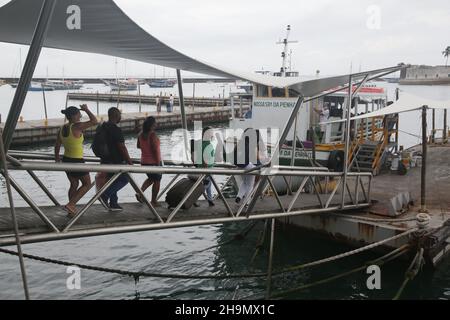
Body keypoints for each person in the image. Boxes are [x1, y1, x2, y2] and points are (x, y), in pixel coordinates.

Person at [55, 104, 98, 215]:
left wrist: (57, 158)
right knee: (87, 184)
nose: (81, 115)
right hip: (77, 161)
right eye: (79, 113)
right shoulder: (77, 126)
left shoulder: (63, 127)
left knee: (74, 184)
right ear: (74, 115)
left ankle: (71, 210)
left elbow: (57, 145)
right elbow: (94, 121)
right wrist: (87, 109)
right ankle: (71, 204)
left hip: (66, 159)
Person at [100, 107, 133, 211]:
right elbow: (122, 147)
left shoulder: (103, 127)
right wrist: (129, 161)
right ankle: (105, 195)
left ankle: (113, 203)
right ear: (116, 116)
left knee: (112, 181)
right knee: (125, 178)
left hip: (104, 159)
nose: (120, 117)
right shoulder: (115, 129)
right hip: (115, 160)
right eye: (120, 115)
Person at [136, 116, 162, 207]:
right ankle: (154, 201)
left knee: (151, 179)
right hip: (153, 162)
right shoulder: (152, 135)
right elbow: (155, 149)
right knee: (157, 181)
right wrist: (158, 163)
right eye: (155, 122)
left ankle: (140, 193)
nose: (156, 124)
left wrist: (146, 149)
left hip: (144, 162)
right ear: (151, 125)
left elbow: (138, 146)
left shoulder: (140, 134)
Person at [201, 127, 215, 206]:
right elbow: (205, 159)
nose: (212, 135)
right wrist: (206, 170)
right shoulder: (208, 145)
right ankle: (192, 198)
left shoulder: (202, 143)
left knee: (208, 185)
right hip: (207, 168)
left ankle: (210, 199)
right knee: (206, 185)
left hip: (204, 168)